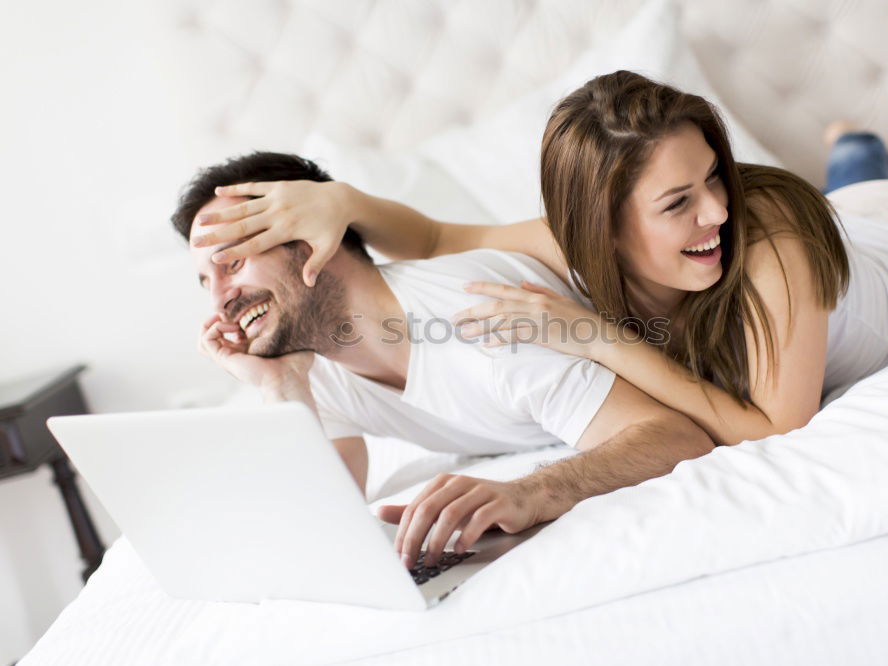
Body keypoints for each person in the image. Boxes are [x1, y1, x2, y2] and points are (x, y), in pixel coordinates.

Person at [191, 70, 888, 445]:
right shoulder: (567, 245)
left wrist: (591, 335)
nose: (718, 212)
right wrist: (347, 206)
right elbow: (437, 238)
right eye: (677, 203)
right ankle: (865, 156)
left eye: (713, 177)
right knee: (857, 187)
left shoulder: (769, 242)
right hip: (859, 232)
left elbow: (771, 428)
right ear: (600, 228)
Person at [175, 151, 714, 570]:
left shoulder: (477, 317)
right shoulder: (313, 367)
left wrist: (532, 491)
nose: (220, 298)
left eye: (233, 263)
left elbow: (676, 435)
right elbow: (324, 524)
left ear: (311, 241)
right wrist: (281, 389)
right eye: (206, 281)